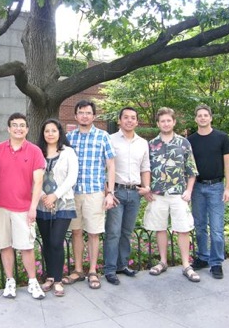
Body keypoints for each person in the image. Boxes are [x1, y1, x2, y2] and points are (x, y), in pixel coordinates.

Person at [0, 112, 46, 300]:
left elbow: (38, 183)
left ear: (27, 129)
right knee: (5, 245)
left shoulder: (35, 151)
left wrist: (33, 207)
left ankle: (32, 282)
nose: (18, 128)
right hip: (0, 207)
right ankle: (10, 281)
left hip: (23, 208)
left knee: (26, 246)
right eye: (14, 125)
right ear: (8, 128)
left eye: (22, 125)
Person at [143, 107, 200, 282]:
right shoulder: (151, 144)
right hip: (158, 194)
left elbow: (191, 170)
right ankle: (163, 262)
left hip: (179, 194)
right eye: (162, 121)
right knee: (160, 228)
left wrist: (189, 191)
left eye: (169, 120)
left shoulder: (184, 143)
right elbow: (145, 169)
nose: (166, 123)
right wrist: (146, 189)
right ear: (158, 123)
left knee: (183, 229)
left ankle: (185, 265)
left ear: (174, 122)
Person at [64, 100, 116, 290]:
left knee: (94, 233)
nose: (84, 116)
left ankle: (93, 270)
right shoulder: (68, 138)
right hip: (73, 193)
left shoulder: (103, 137)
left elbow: (111, 165)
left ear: (94, 116)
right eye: (81, 112)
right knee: (76, 231)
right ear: (76, 116)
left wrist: (110, 192)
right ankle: (78, 270)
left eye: (88, 113)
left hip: (95, 192)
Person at [103, 107, 151, 285]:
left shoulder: (142, 143)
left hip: (135, 192)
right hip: (116, 192)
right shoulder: (110, 139)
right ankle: (109, 269)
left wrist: (146, 187)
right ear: (119, 120)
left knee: (126, 232)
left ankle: (122, 265)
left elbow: (145, 167)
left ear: (137, 122)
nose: (129, 120)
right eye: (126, 117)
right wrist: (108, 191)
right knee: (113, 232)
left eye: (133, 118)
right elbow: (104, 166)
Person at [188, 104, 229, 279]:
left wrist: (228, 188)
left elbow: (228, 164)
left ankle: (216, 262)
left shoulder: (221, 138)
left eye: (205, 115)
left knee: (216, 228)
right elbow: (188, 167)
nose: (203, 118)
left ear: (210, 118)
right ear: (196, 119)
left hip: (216, 187)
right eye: (199, 115)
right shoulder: (191, 140)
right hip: (197, 188)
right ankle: (203, 257)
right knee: (199, 226)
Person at [36, 119, 78, 297]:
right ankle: (50, 277)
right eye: (47, 131)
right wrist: (43, 197)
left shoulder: (68, 152)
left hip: (63, 203)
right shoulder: (37, 152)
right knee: (46, 242)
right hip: (41, 203)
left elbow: (72, 177)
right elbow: (31, 178)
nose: (50, 134)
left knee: (56, 241)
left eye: (54, 130)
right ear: (43, 133)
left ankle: (59, 280)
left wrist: (55, 195)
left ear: (60, 133)